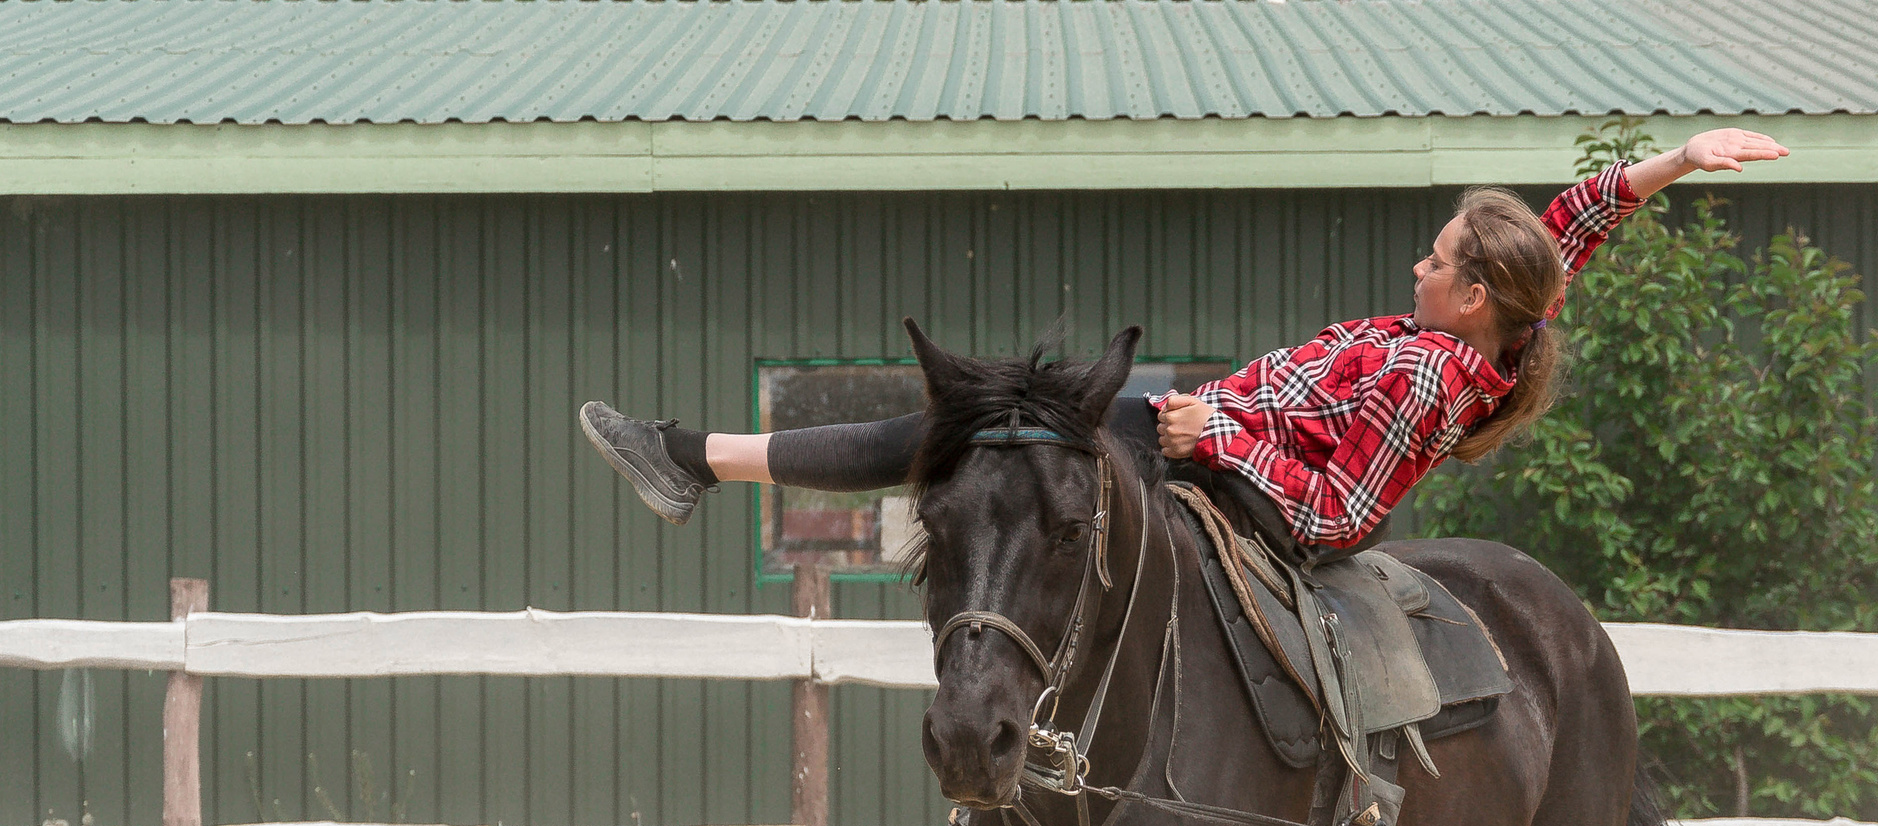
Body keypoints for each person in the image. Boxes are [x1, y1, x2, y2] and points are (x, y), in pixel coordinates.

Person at [577, 128, 1787, 547]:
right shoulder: (1503, 317)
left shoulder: (1426, 373)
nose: (1418, 265)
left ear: (1470, 299)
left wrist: (1222, 440)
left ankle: (695, 460)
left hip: (1224, 468)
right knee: (996, 434)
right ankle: (698, 461)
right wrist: (1673, 164)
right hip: (1200, 434)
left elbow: (1334, 515)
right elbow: (1560, 233)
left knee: (985, 434)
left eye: (1435, 259)